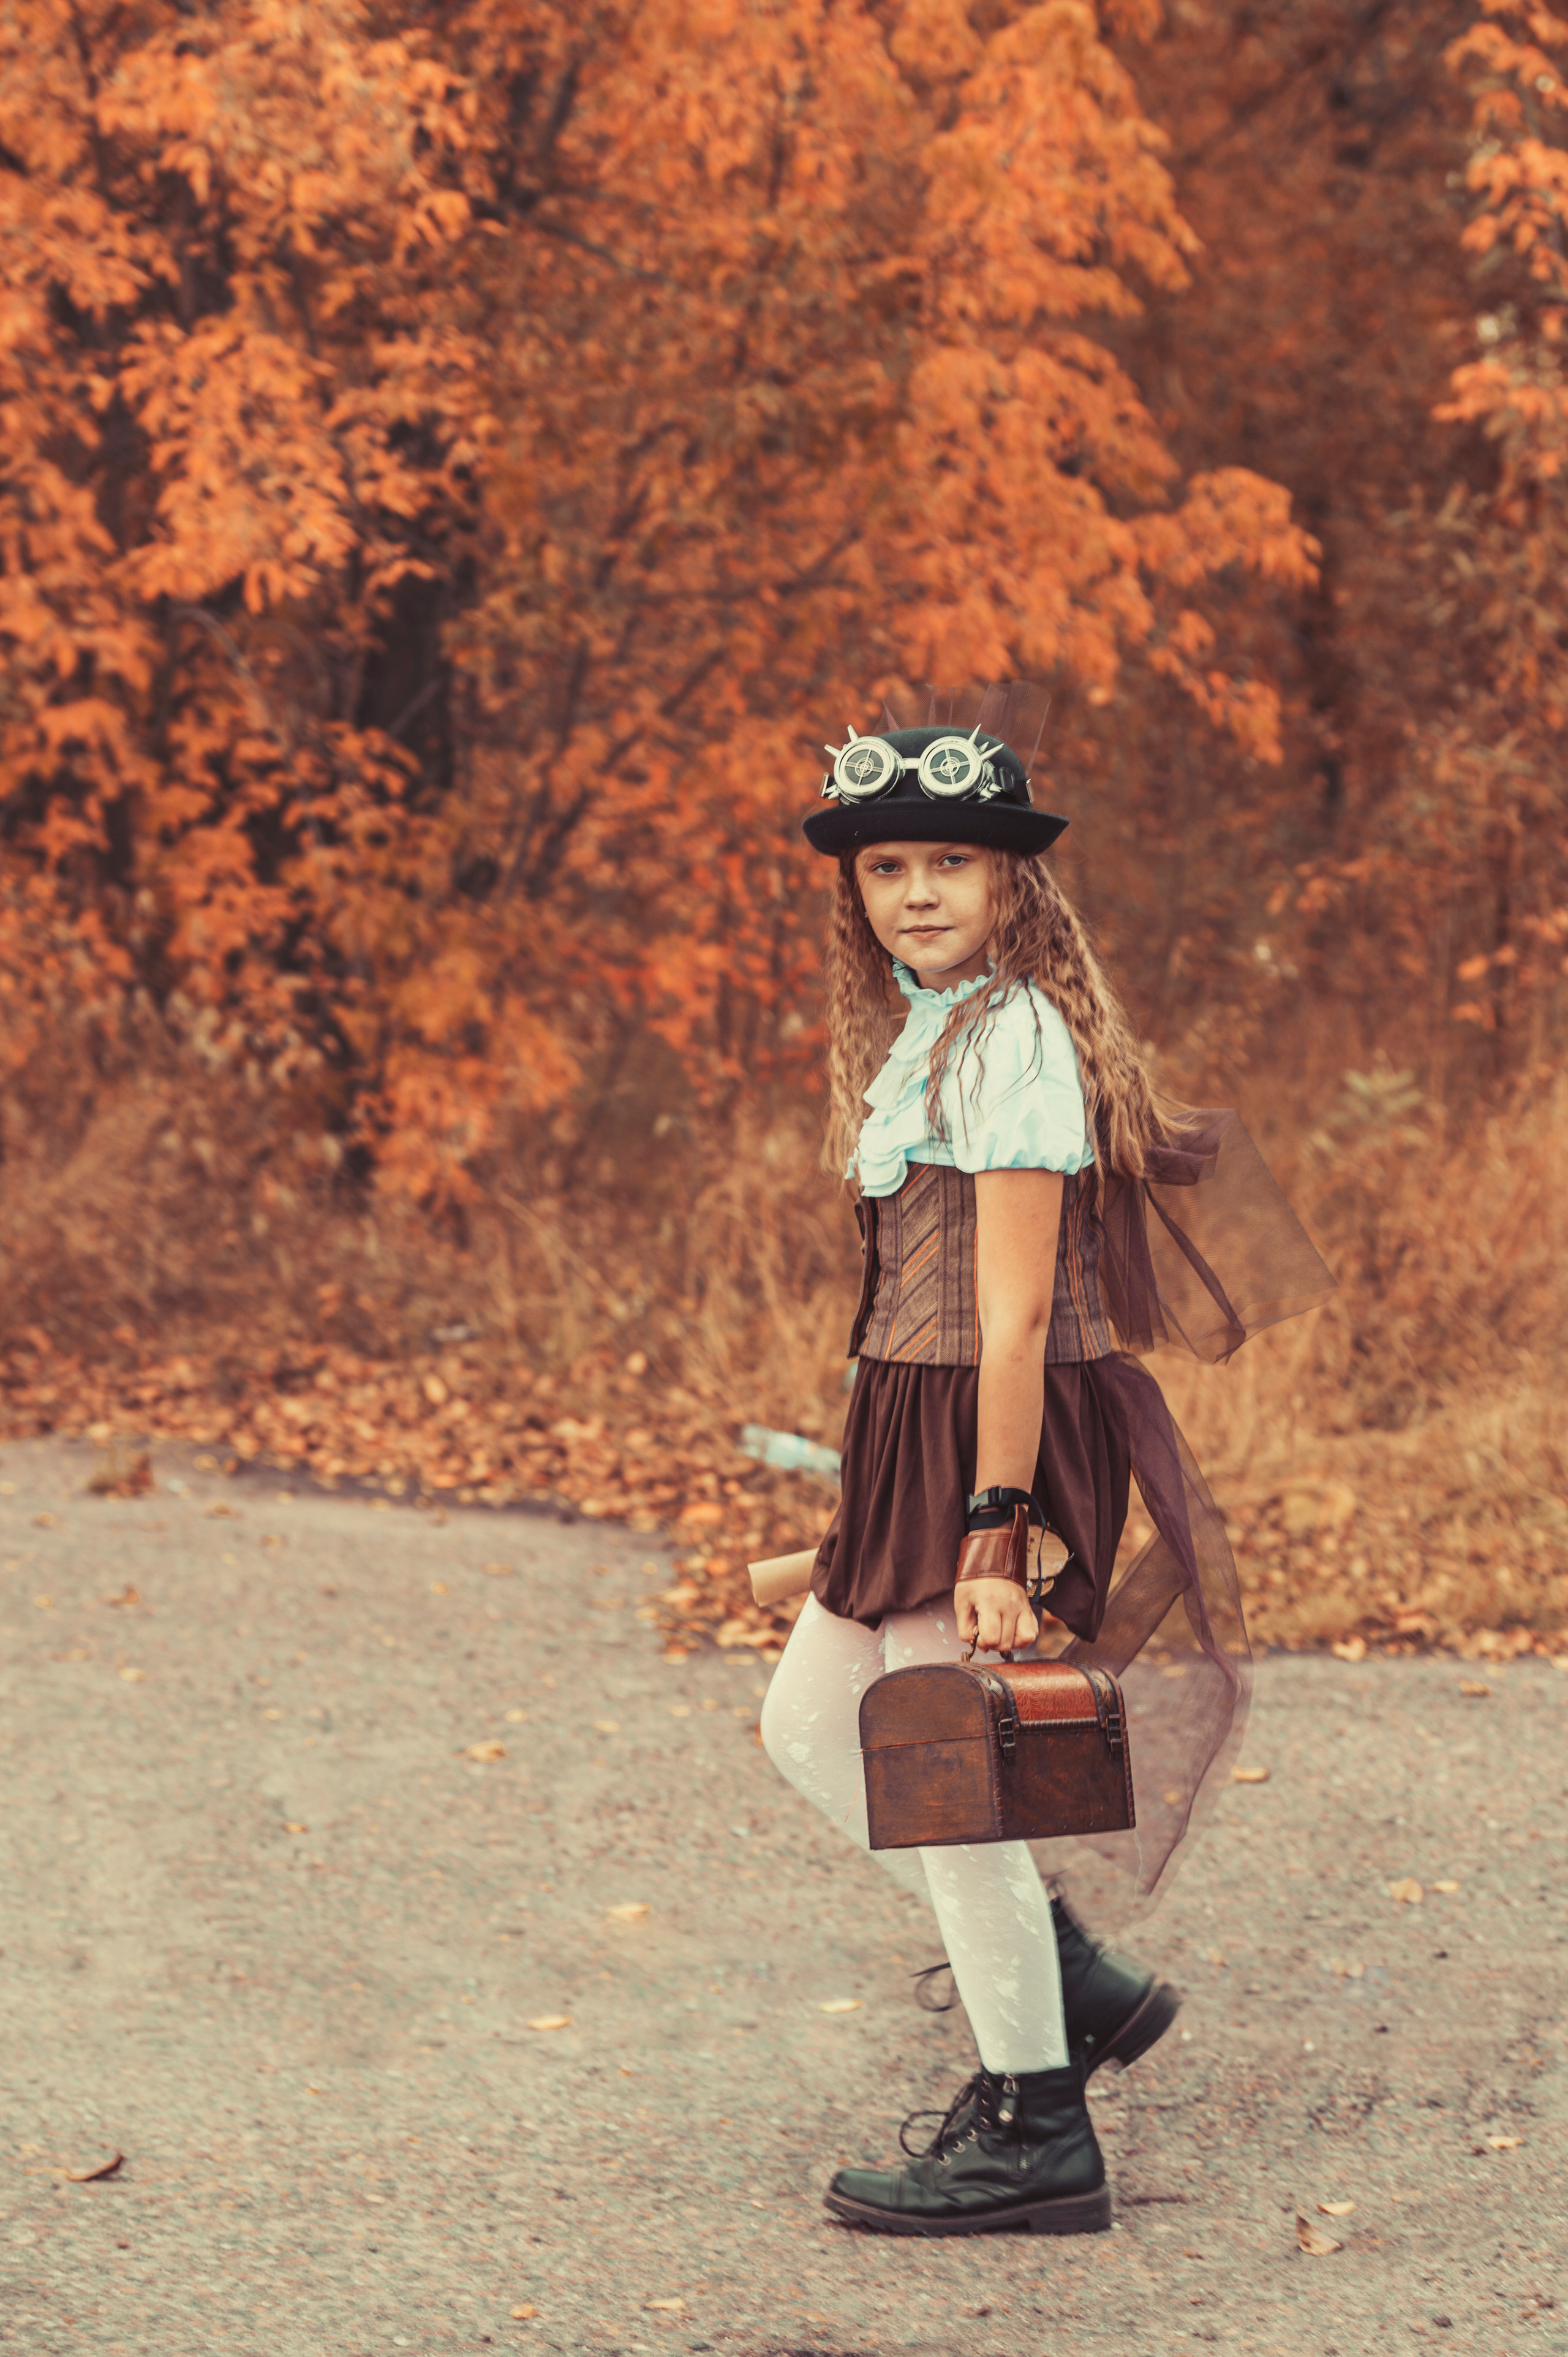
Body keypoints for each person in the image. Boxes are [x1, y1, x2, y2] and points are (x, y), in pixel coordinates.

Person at [759, 683, 1331, 2238]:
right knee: (807, 1721)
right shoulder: (932, 1029)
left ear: (1013, 882)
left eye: (950, 859)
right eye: (886, 866)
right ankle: (1064, 1972)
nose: (919, 888)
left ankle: (1033, 2127)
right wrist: (865, 1505)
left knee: (946, 1779)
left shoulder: (1013, 1036)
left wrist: (993, 1529)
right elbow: (920, 1310)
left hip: (986, 1433)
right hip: (911, 1425)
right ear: (856, 892)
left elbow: (1009, 1320)